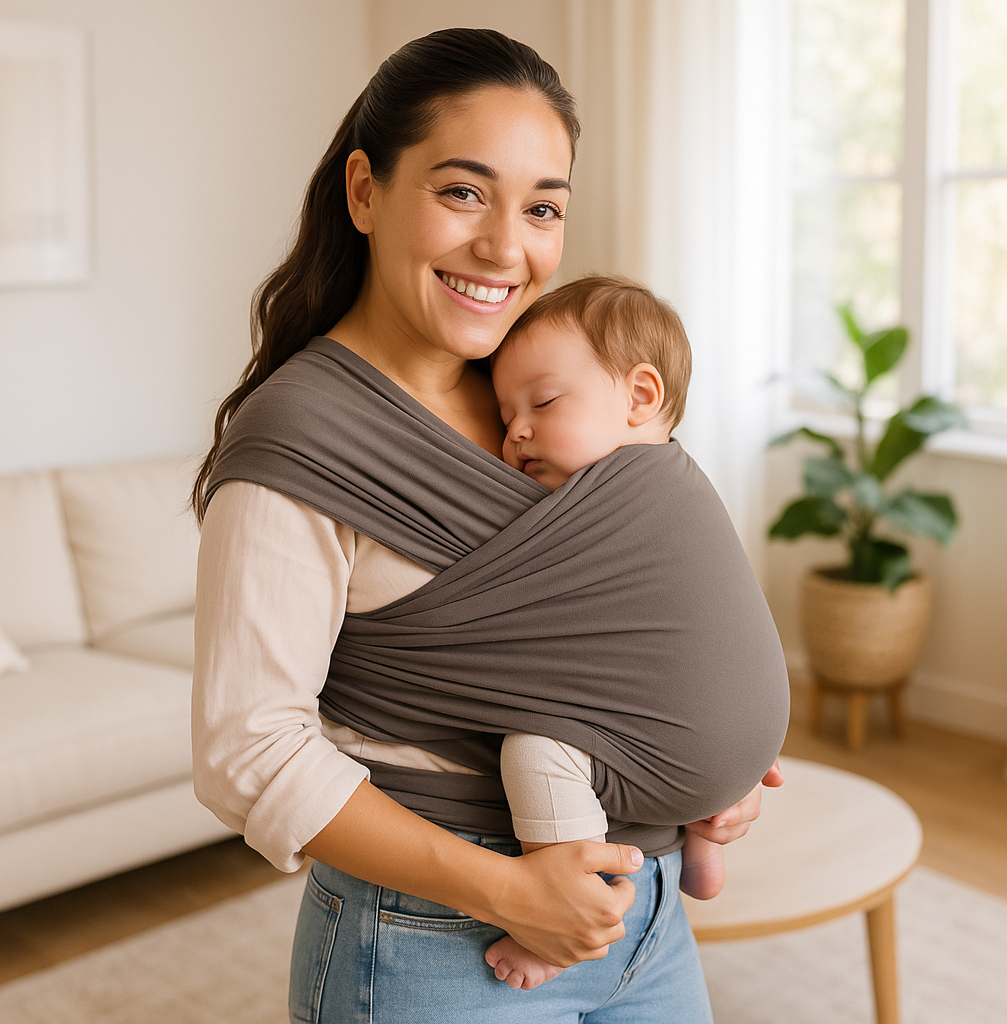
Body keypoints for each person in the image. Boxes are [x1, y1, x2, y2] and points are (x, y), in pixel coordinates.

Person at [191, 28, 784, 1024]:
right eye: (462, 191)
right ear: (366, 191)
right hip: (435, 942)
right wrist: (514, 893)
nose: (507, 248)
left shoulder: (548, 392)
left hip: (639, 914)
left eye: (541, 206)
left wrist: (710, 766)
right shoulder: (304, 434)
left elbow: (647, 613)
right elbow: (248, 749)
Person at [483, 275, 730, 990]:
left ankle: (563, 916)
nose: (516, 431)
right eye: (504, 416)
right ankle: (704, 842)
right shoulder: (685, 486)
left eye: (545, 402)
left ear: (641, 397)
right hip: (712, 735)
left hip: (673, 729)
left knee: (534, 750)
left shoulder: (600, 504)